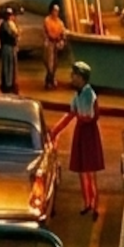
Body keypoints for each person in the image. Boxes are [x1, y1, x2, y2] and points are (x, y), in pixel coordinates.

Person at [46, 61, 105, 216]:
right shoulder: (77, 95)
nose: (72, 78)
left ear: (81, 77)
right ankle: (87, 202)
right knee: (82, 171)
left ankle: (94, 204)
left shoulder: (88, 94)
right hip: (81, 132)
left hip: (89, 134)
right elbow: (70, 115)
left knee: (90, 171)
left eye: (74, 75)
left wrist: (76, 116)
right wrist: (55, 130)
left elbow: (88, 116)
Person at [43, 3, 68, 89]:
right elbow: (49, 33)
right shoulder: (47, 20)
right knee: (49, 63)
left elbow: (63, 31)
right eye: (54, 10)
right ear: (51, 11)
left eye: (57, 11)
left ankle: (51, 79)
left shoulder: (59, 22)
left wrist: (62, 39)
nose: (56, 12)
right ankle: (49, 81)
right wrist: (56, 37)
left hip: (56, 44)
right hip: (49, 43)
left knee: (55, 64)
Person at [0, 6, 21, 94]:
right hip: (7, 46)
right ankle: (7, 84)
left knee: (12, 65)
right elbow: (11, 35)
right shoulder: (5, 25)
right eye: (8, 15)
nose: (10, 16)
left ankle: (11, 83)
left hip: (12, 47)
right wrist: (16, 35)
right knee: (7, 66)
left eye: (10, 15)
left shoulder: (12, 24)